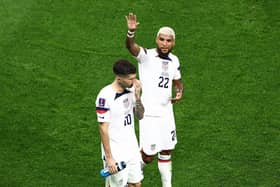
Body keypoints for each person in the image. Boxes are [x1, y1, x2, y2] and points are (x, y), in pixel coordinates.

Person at [125, 13, 184, 187]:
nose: (165, 43)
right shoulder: (146, 56)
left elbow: (177, 81)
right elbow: (131, 47)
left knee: (166, 150)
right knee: (148, 156)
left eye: (168, 40)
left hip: (166, 113)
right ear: (156, 40)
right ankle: (130, 177)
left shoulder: (174, 60)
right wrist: (130, 32)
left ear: (173, 42)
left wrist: (180, 91)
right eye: (162, 39)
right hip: (149, 114)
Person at [95, 59, 145, 187]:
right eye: (130, 79)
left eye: (135, 78)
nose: (134, 82)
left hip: (132, 147)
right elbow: (103, 129)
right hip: (116, 151)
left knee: (136, 184)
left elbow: (140, 116)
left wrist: (138, 97)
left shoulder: (132, 90)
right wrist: (109, 158)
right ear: (119, 78)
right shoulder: (105, 96)